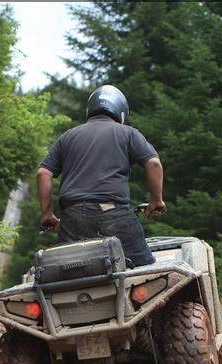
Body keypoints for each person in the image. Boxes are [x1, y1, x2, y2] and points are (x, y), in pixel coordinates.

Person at [35, 85, 165, 267]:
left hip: (72, 218)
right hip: (112, 213)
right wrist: (156, 201)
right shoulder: (128, 133)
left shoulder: (67, 137)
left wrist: (47, 214)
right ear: (120, 111)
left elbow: (43, 173)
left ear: (90, 109)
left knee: (73, 273)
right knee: (144, 267)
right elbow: (153, 163)